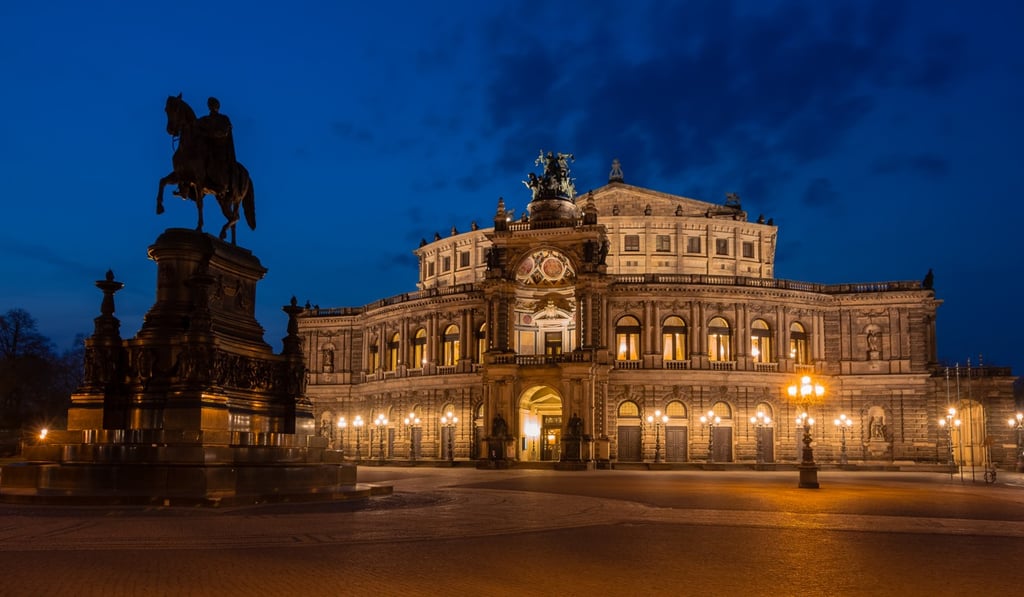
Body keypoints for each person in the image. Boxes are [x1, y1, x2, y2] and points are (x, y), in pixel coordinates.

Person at [196, 97, 236, 195]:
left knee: (220, 160)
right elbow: (194, 126)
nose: (212, 107)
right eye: (211, 104)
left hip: (219, 148)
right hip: (207, 148)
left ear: (217, 107)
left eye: (214, 105)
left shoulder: (223, 119)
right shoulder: (204, 120)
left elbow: (224, 132)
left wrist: (209, 134)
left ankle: (226, 185)